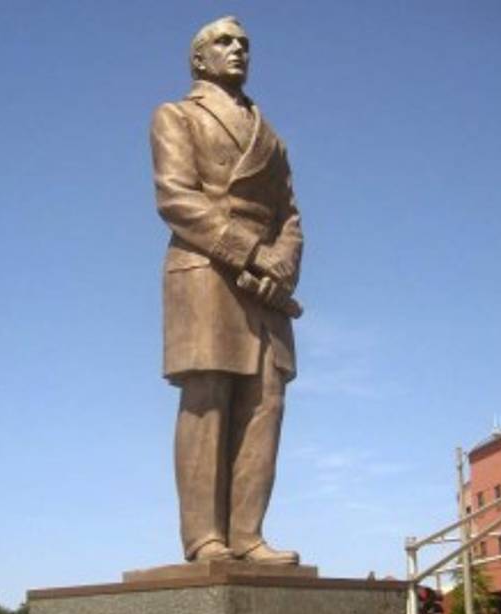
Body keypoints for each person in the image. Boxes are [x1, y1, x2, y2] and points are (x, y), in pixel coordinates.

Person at [150, 16, 303, 564]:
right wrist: (250, 251)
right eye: (224, 41)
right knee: (208, 399)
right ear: (199, 59)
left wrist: (282, 263)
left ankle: (248, 534)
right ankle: (204, 538)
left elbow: (289, 214)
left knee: (267, 402)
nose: (237, 49)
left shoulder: (271, 135)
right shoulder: (175, 116)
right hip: (206, 272)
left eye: (244, 43)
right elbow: (176, 199)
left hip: (264, 291)